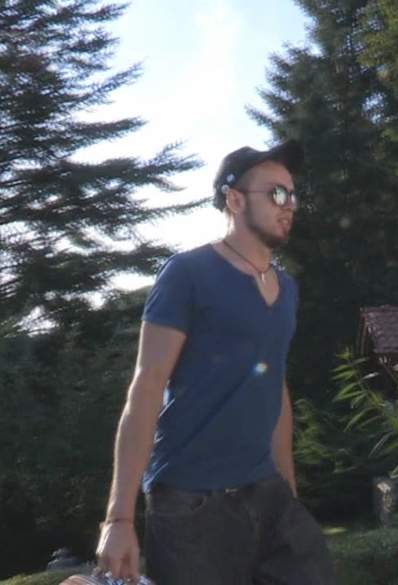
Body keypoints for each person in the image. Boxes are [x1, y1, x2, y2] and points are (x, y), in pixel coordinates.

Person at [95, 140, 335, 585]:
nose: (289, 204)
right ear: (234, 200)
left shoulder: (287, 289)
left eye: (293, 194)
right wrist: (119, 519)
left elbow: (275, 386)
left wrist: (288, 492)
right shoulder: (187, 274)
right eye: (276, 193)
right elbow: (147, 386)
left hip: (266, 491)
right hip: (191, 502)